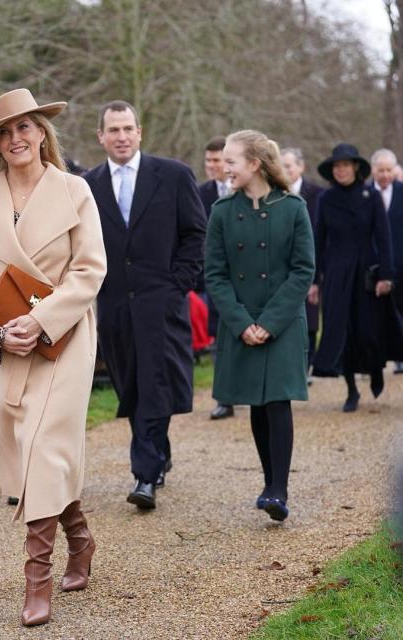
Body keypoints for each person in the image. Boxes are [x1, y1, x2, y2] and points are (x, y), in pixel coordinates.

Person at [0, 88, 107, 627]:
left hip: (62, 338)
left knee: (45, 445)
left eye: (25, 127)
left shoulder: (74, 191)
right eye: (5, 131)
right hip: (5, 345)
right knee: (31, 453)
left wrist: (40, 321)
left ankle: (36, 577)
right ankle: (80, 536)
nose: (17, 138)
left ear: (43, 132)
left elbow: (90, 269)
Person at [84, 100, 206, 509]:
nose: (121, 137)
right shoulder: (87, 185)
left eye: (128, 129)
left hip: (161, 301)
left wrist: (179, 284)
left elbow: (194, 234)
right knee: (131, 385)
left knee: (155, 382)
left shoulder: (172, 175)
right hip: (113, 305)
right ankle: (159, 450)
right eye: (113, 130)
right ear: (100, 136)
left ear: (140, 133)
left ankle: (144, 475)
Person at [205, 130, 315, 521]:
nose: (225, 167)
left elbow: (303, 271)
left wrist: (269, 322)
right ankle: (269, 482)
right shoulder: (221, 211)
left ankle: (279, 490)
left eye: (231, 161)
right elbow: (214, 275)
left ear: (254, 164)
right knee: (256, 398)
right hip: (241, 321)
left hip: (282, 321)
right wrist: (241, 323)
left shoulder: (293, 208)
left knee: (277, 399)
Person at [310, 143, 403, 411]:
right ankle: (351, 389)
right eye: (337, 166)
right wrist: (315, 280)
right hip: (337, 273)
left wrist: (387, 275)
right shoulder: (326, 200)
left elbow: (383, 237)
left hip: (367, 272)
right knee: (343, 331)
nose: (341, 170)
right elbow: (319, 240)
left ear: (355, 168)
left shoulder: (370, 196)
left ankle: (375, 369)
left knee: (368, 331)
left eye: (346, 165)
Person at [197, 135, 235, 420]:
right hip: (213, 276)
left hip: (245, 273)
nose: (211, 166)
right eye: (208, 160)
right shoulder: (200, 193)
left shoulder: (244, 190)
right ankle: (224, 397)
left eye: (217, 160)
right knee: (220, 337)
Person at [281, 147, 324, 370]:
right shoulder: (273, 193)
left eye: (288, 165)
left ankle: (308, 362)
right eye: (281, 166)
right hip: (282, 263)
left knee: (310, 315)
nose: (284, 170)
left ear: (301, 167)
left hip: (310, 260)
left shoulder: (317, 194)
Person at [370, 148, 403, 374]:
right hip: (372, 265)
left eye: (388, 170)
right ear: (372, 170)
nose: (384, 174)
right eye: (380, 170)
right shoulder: (364, 194)